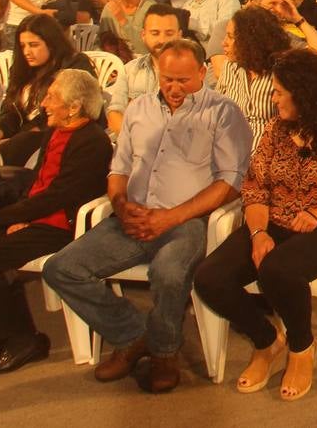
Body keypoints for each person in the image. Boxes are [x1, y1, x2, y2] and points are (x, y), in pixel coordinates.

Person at [42, 39, 251, 393]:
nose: (174, 88)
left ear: (202, 73)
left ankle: (165, 352)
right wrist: (121, 205)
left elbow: (230, 183)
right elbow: (119, 167)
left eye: (183, 80)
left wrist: (171, 218)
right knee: (61, 269)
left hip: (186, 221)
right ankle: (134, 334)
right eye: (167, 79)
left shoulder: (223, 112)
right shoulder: (139, 109)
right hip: (132, 215)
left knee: (168, 273)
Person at [193, 49, 317, 400]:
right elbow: (254, 188)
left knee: (276, 271)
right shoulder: (275, 131)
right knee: (209, 277)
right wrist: (257, 233)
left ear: (305, 93)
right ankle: (267, 341)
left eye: (280, 92)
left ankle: (301, 347)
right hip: (273, 222)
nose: (273, 98)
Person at [0, 70, 112, 377]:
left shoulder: (92, 142)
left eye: (52, 97)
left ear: (74, 107)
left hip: (62, 228)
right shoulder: (56, 133)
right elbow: (37, 184)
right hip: (39, 219)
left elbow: (60, 196)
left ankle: (22, 338)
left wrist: (7, 216)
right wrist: (21, 216)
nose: (45, 104)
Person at [0, 14, 96, 167]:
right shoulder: (22, 69)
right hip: (24, 136)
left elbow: (68, 109)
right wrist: (0, 132)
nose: (27, 52)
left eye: (33, 45)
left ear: (51, 43)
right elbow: (10, 110)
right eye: (23, 46)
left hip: (58, 133)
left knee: (16, 145)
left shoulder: (74, 63)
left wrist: (17, 138)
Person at [210, 6, 289, 152]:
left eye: (231, 37)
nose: (224, 43)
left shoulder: (283, 72)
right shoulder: (230, 67)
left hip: (268, 158)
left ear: (250, 41)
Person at [105, 4, 186, 135]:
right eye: (155, 33)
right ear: (143, 35)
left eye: (169, 33)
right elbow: (114, 114)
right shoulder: (129, 70)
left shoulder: (193, 72)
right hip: (133, 146)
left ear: (179, 35)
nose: (162, 40)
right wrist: (136, 142)